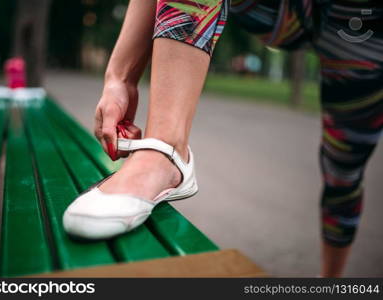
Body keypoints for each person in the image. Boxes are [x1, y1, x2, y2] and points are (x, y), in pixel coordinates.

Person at [63, 0, 383, 277]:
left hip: (363, 21)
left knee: (343, 170)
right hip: (280, 10)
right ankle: (165, 152)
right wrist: (119, 78)